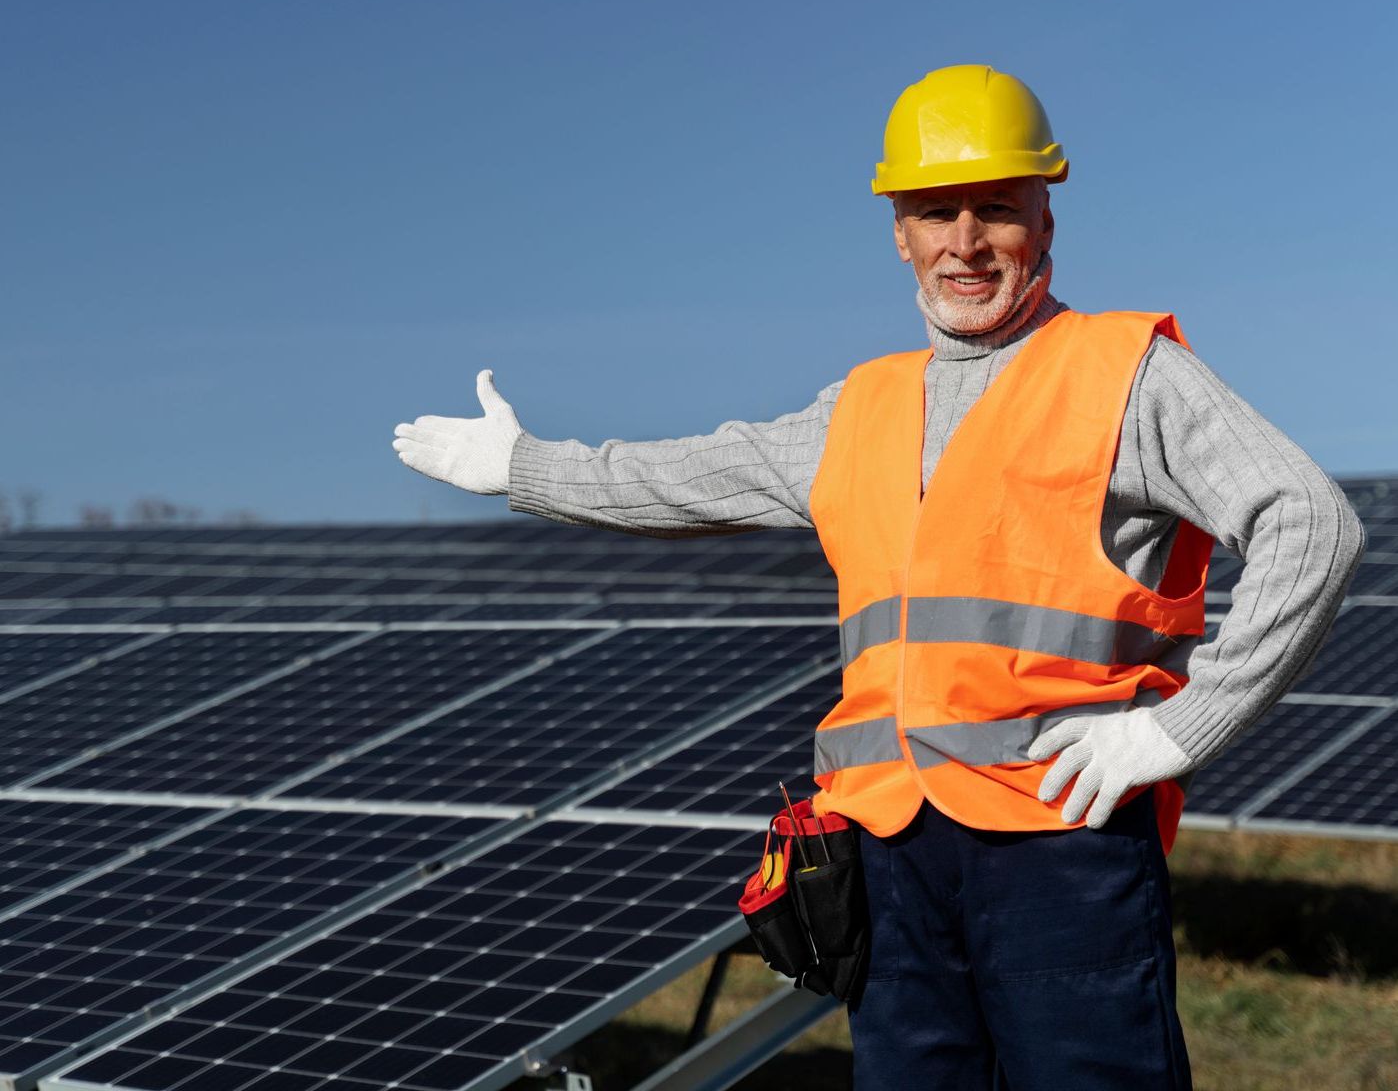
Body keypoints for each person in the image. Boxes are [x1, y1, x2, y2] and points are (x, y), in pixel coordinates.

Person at [392, 64, 1365, 1090]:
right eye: (935, 211)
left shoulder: (1125, 372)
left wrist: (1174, 729)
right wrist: (523, 467)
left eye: (997, 207)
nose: (966, 240)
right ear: (897, 228)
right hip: (886, 846)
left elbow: (1310, 521)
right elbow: (692, 472)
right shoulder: (859, 405)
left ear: (1046, 211)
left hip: (1060, 839)